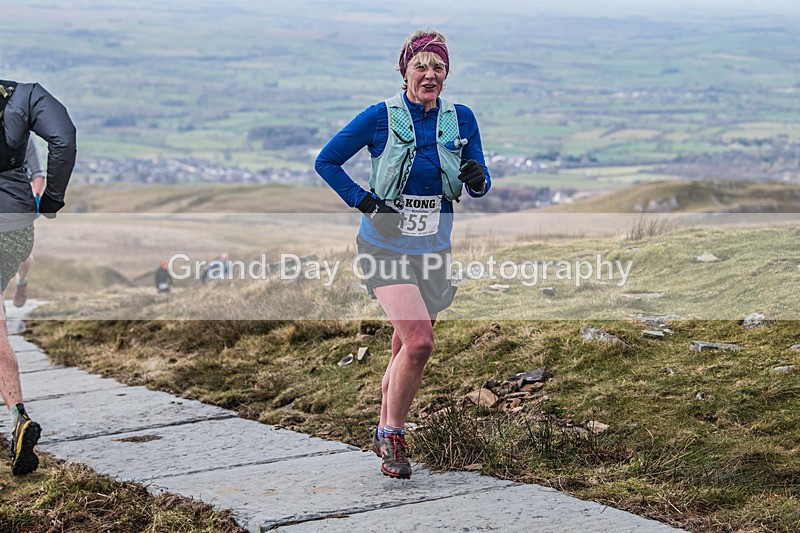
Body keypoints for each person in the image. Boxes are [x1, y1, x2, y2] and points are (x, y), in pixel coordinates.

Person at [315, 30, 490, 479]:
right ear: (405, 71)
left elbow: (479, 179)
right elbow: (326, 161)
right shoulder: (380, 117)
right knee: (419, 341)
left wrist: (477, 178)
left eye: (438, 67)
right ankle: (393, 434)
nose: (429, 74)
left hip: (434, 245)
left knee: (402, 343)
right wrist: (366, 203)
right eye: (420, 66)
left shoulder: (461, 118)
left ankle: (383, 426)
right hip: (385, 243)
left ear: (447, 73)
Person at [0, 78, 76, 475]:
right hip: (14, 224)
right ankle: (18, 416)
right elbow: (63, 139)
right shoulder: (23, 97)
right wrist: (50, 203)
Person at [11, 138, 46, 307]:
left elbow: (38, 173)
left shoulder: (26, 137)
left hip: (19, 204)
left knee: (22, 257)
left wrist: (35, 199)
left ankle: (21, 282)